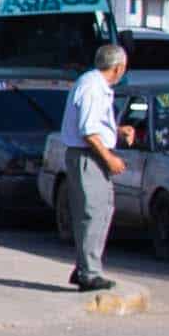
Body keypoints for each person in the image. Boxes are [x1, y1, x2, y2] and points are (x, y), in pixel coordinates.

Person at [58, 35, 134, 290]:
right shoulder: (92, 86)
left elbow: (95, 124)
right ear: (118, 67)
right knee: (91, 213)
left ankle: (85, 267)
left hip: (90, 154)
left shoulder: (97, 85)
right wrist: (109, 158)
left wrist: (117, 130)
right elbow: (88, 130)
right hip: (87, 156)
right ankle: (89, 273)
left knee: (101, 211)